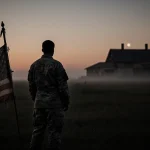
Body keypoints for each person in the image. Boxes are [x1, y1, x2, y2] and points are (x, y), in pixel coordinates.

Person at [28, 40, 70, 150]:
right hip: (54, 105)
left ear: (42, 49)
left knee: (37, 132)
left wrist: (36, 99)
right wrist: (66, 101)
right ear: (53, 50)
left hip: (39, 104)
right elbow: (62, 87)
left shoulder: (34, 65)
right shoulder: (57, 65)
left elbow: (31, 86)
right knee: (54, 133)